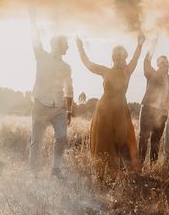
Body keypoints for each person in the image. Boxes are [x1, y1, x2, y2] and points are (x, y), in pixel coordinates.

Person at [76, 34, 143, 174]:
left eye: (123, 57)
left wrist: (140, 44)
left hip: (120, 109)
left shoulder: (127, 71)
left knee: (124, 138)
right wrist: (80, 48)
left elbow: (136, 58)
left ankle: (131, 172)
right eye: (117, 58)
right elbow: (89, 64)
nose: (120, 60)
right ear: (113, 59)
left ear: (125, 58)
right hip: (104, 110)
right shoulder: (105, 71)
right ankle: (106, 172)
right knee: (105, 141)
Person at [29, 15, 74, 178]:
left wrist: (68, 111)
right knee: (36, 140)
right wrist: (32, 19)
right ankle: (34, 172)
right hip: (40, 104)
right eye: (66, 44)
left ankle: (56, 169)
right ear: (58, 44)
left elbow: (69, 90)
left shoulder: (67, 67)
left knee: (62, 137)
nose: (68, 47)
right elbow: (36, 40)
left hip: (59, 108)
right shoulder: (41, 56)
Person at [139, 39, 169, 165]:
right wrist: (152, 46)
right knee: (143, 138)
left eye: (167, 63)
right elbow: (146, 61)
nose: (166, 65)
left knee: (156, 140)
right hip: (148, 109)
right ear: (158, 65)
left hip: (162, 113)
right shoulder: (151, 73)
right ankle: (140, 165)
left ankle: (153, 166)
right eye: (163, 63)